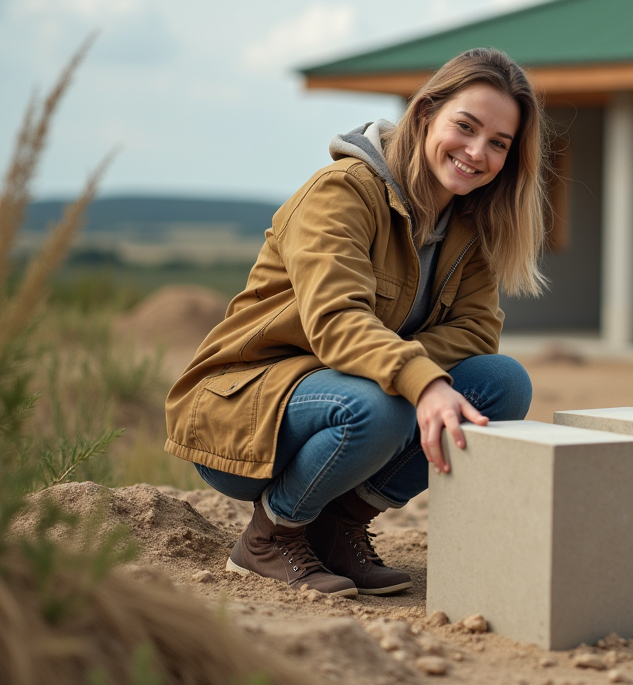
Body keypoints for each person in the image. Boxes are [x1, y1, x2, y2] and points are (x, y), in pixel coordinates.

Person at [164, 48, 547, 597]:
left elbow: (476, 332)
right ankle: (269, 537)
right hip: (249, 408)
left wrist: (402, 369)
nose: (476, 152)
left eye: (498, 144)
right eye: (465, 126)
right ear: (425, 114)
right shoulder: (341, 191)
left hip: (350, 397)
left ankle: (336, 525)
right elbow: (336, 320)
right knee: (382, 400)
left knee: (502, 384)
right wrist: (418, 378)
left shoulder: (472, 224)